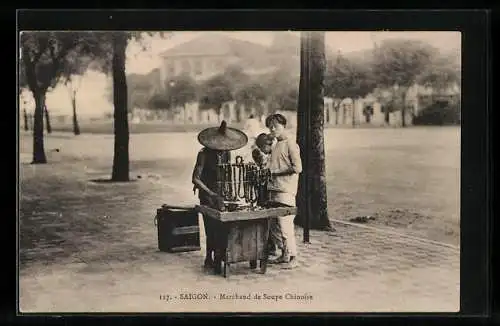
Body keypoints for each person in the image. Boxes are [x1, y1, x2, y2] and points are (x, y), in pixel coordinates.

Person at [192, 120, 248, 273]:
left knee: (222, 226)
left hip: (221, 195)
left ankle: (220, 256)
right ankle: (210, 256)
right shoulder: (203, 154)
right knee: (210, 227)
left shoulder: (226, 153)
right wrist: (211, 193)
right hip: (208, 195)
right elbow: (195, 178)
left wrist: (229, 190)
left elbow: (226, 173)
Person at [265, 113, 302, 269]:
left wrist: (275, 172)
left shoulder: (290, 143)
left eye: (276, 126)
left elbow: (298, 168)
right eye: (270, 126)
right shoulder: (275, 145)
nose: (273, 129)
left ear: (283, 125)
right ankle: (284, 254)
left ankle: (293, 257)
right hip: (273, 189)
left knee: (285, 226)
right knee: (274, 226)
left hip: (286, 191)